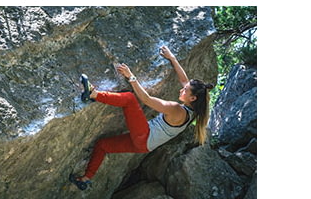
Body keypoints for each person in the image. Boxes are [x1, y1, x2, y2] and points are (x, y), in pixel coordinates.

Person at [70, 45, 214, 191]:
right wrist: (172, 58)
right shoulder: (195, 110)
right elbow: (184, 80)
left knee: (129, 99)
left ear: (193, 97)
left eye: (185, 91)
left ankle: (93, 94)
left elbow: (146, 99)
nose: (181, 89)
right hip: (145, 146)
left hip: (144, 136)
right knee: (103, 145)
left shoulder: (176, 110)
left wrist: (130, 76)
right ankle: (85, 178)